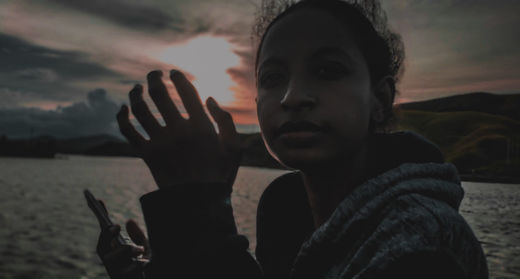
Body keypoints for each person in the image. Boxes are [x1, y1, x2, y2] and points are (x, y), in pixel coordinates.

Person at [96, 0, 489, 278]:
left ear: (381, 100)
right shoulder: (286, 213)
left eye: (328, 70)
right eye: (272, 78)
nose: (292, 97)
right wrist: (173, 258)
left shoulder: (425, 242)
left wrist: (194, 206)